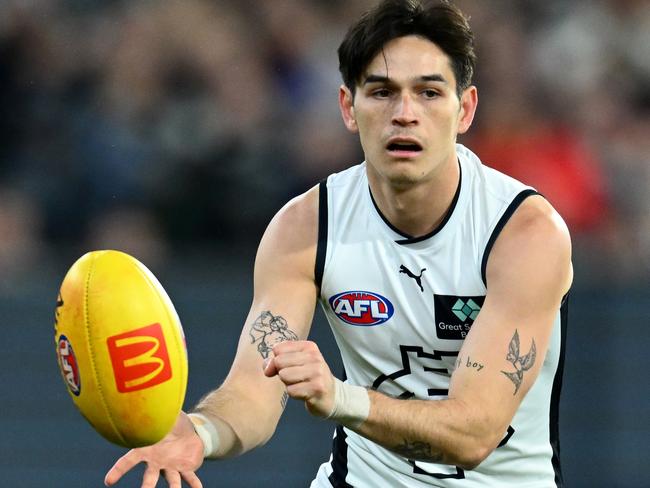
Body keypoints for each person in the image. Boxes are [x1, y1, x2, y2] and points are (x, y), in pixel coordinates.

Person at [105, 0, 572, 486]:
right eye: (382, 92)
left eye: (429, 93)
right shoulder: (306, 228)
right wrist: (201, 432)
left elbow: (475, 434)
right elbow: (252, 394)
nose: (405, 114)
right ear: (349, 108)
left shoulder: (523, 234)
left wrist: (339, 396)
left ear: (465, 110)